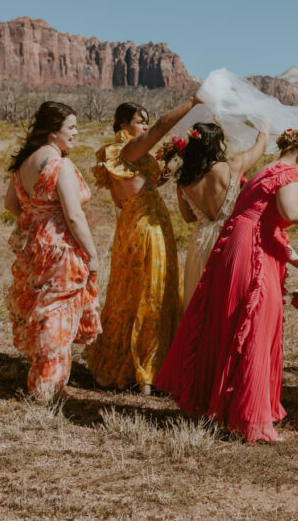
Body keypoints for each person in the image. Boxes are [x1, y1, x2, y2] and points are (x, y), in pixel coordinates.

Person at [153, 130, 298, 442]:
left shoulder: (265, 171)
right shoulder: (289, 173)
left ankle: (220, 407)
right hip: (249, 251)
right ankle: (248, 416)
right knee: (254, 324)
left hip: (235, 245)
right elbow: (292, 213)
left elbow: (267, 223)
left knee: (229, 323)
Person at [85, 97, 199, 394]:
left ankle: (138, 365)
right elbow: (162, 126)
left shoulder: (127, 154)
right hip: (146, 225)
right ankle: (147, 370)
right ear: (124, 126)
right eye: (140, 121)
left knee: (132, 290)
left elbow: (131, 189)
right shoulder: (126, 149)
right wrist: (193, 102)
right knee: (152, 290)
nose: (146, 126)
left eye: (146, 121)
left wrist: (161, 175)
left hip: (134, 223)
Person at [5, 102, 101, 401]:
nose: (75, 132)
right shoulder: (60, 165)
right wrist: (93, 254)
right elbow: (73, 215)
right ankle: (49, 386)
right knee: (58, 313)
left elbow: (11, 204)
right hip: (60, 245)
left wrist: (37, 215)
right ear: (53, 132)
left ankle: (43, 378)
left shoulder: (26, 162)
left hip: (34, 243)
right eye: (70, 127)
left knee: (41, 308)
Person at [176, 121, 268, 308]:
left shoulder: (185, 180)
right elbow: (261, 145)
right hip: (229, 238)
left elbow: (188, 218)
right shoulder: (232, 167)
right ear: (217, 144)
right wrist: (265, 120)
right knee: (227, 300)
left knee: (200, 302)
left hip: (200, 243)